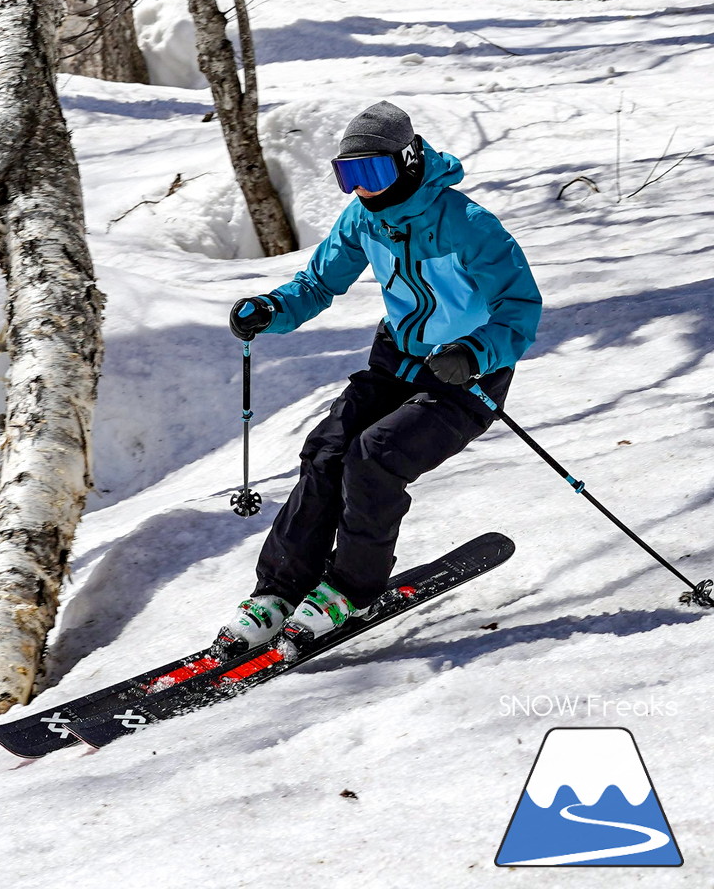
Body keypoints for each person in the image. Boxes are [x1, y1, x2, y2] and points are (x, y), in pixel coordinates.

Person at [214, 100, 541, 657]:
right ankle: (279, 591)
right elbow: (318, 283)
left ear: (408, 160)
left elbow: (520, 308)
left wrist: (474, 352)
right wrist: (273, 308)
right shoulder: (364, 219)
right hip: (394, 362)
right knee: (326, 451)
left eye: (373, 172)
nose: (362, 189)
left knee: (374, 456)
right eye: (349, 176)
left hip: (464, 378)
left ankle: (350, 588)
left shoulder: (467, 225)